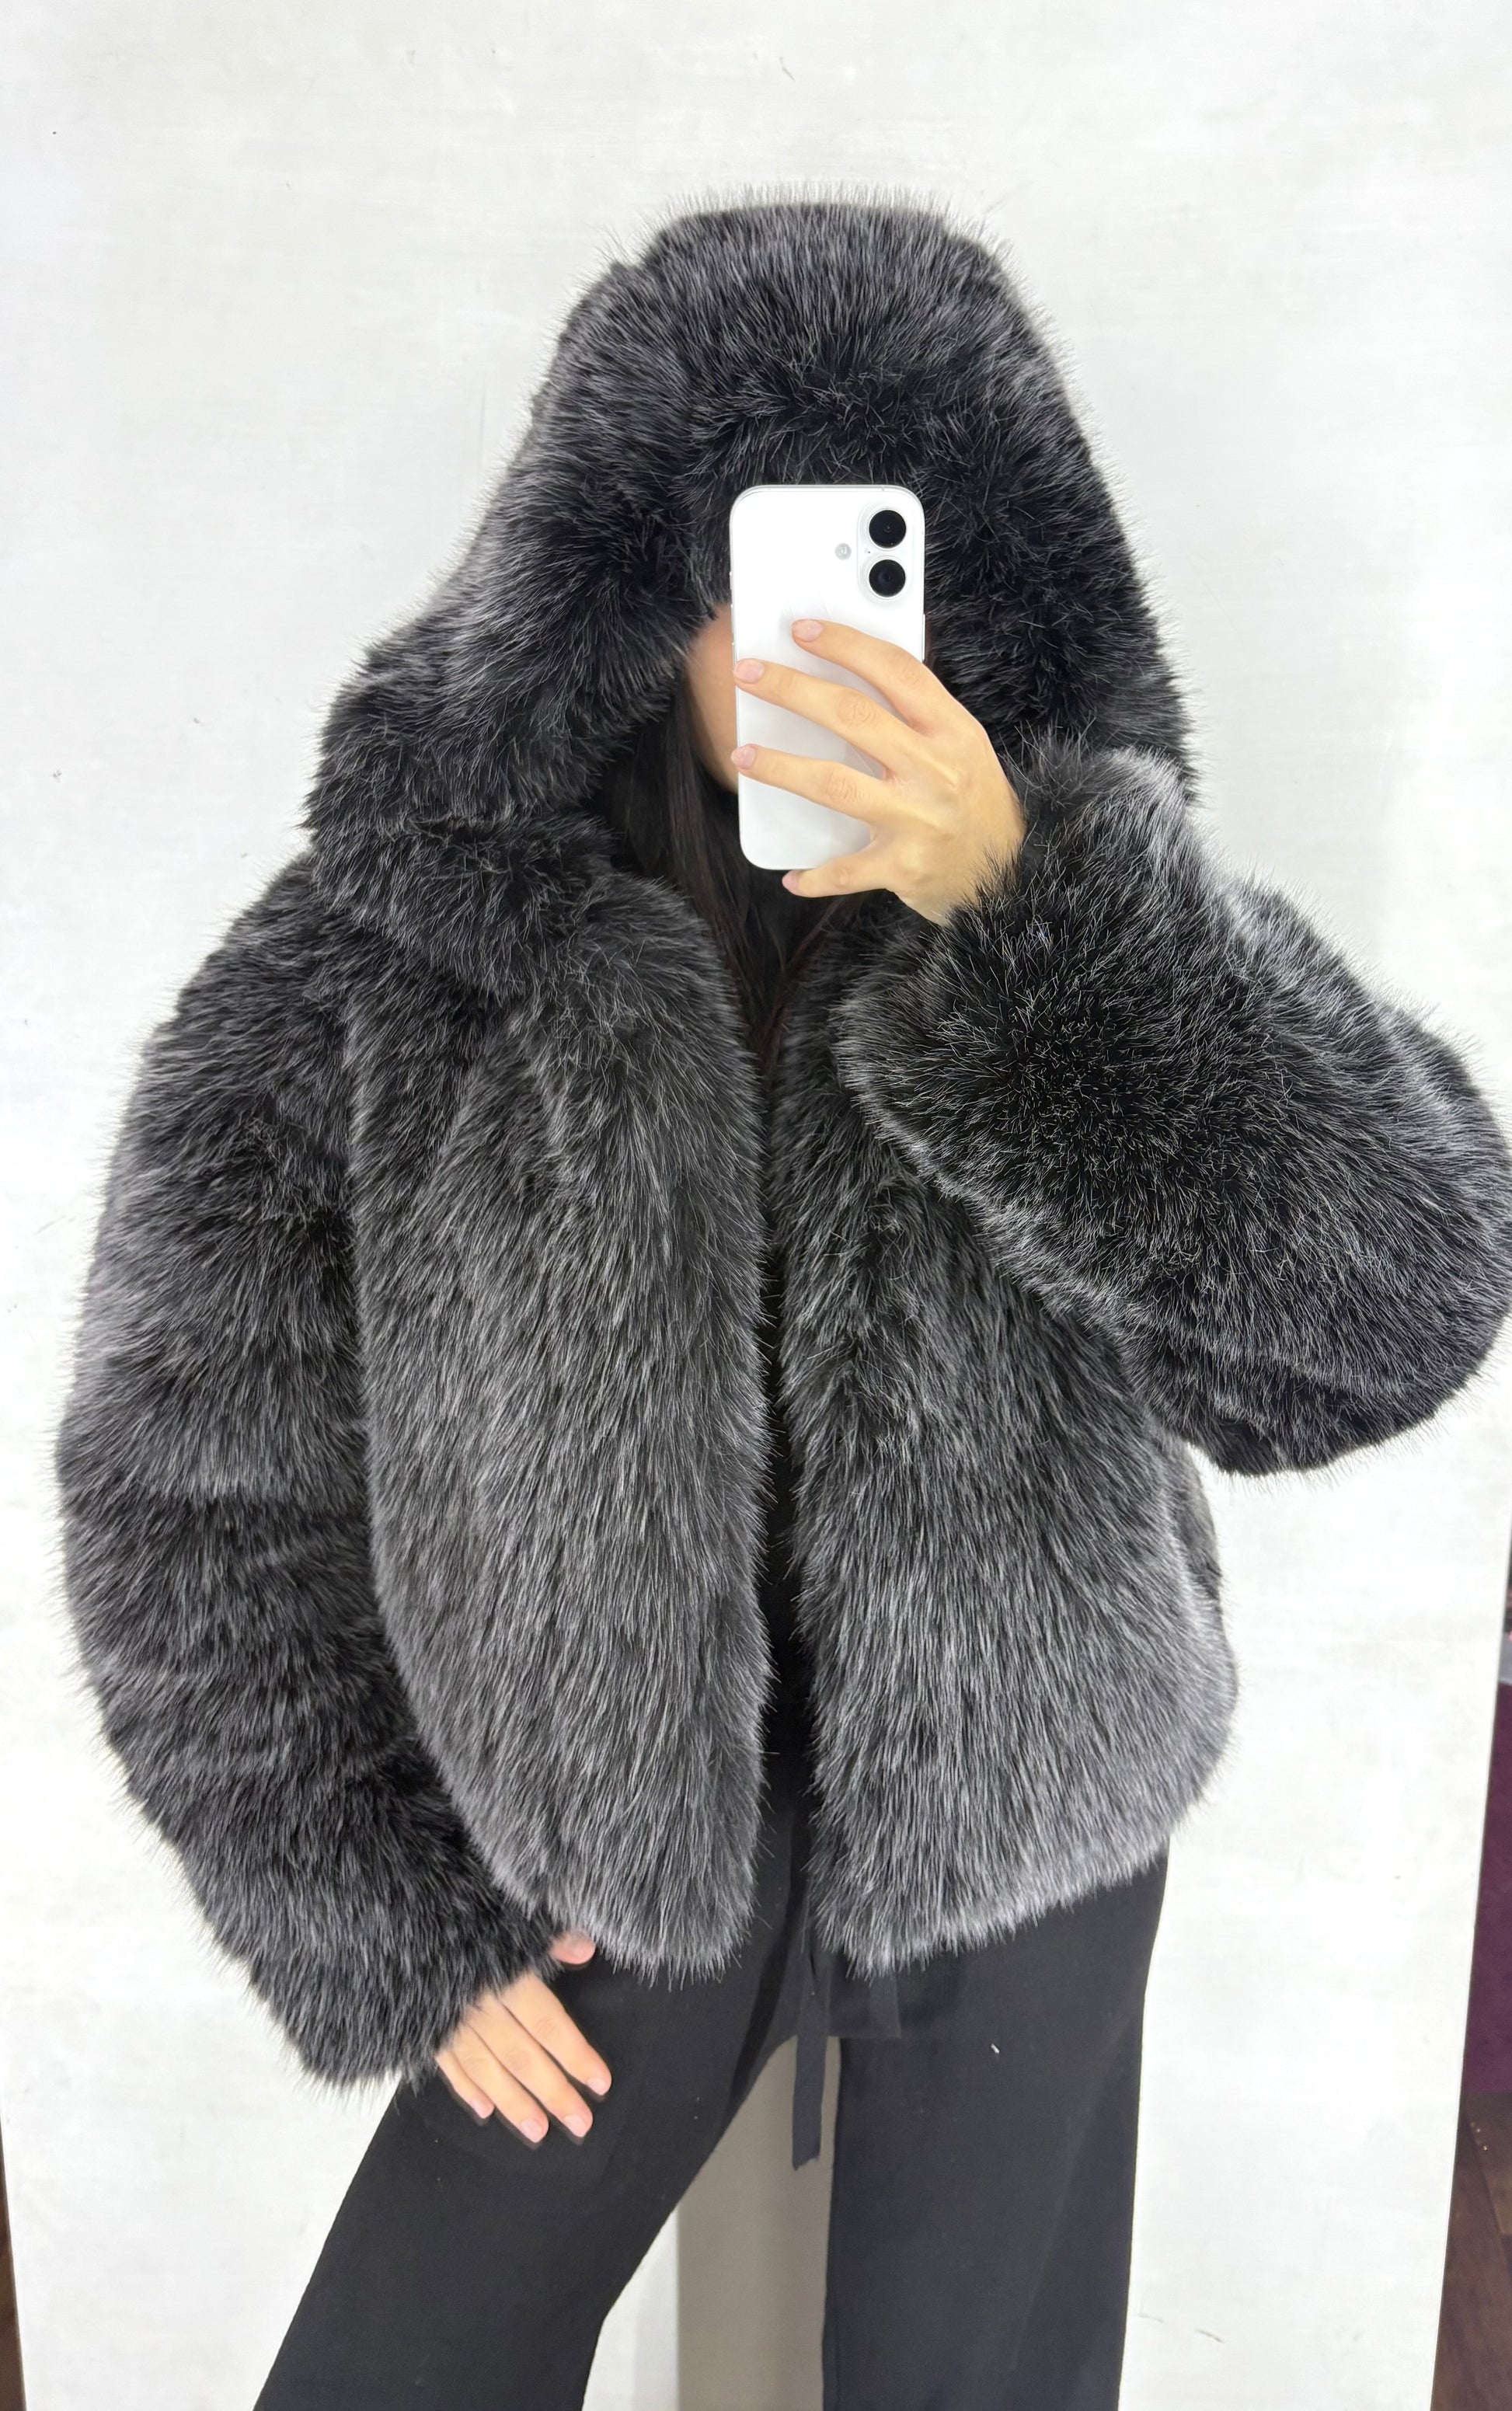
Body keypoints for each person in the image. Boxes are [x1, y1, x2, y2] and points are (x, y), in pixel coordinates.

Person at [53, 197, 1512, 2411]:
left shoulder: (1066, 896)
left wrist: (1034, 920)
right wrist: (381, 1905)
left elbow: (1396, 1308)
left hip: (1019, 1807)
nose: (809, 643)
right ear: (629, 589)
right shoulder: (393, 957)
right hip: (590, 1839)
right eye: (753, 569)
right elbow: (189, 1481)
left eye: (872, 566)